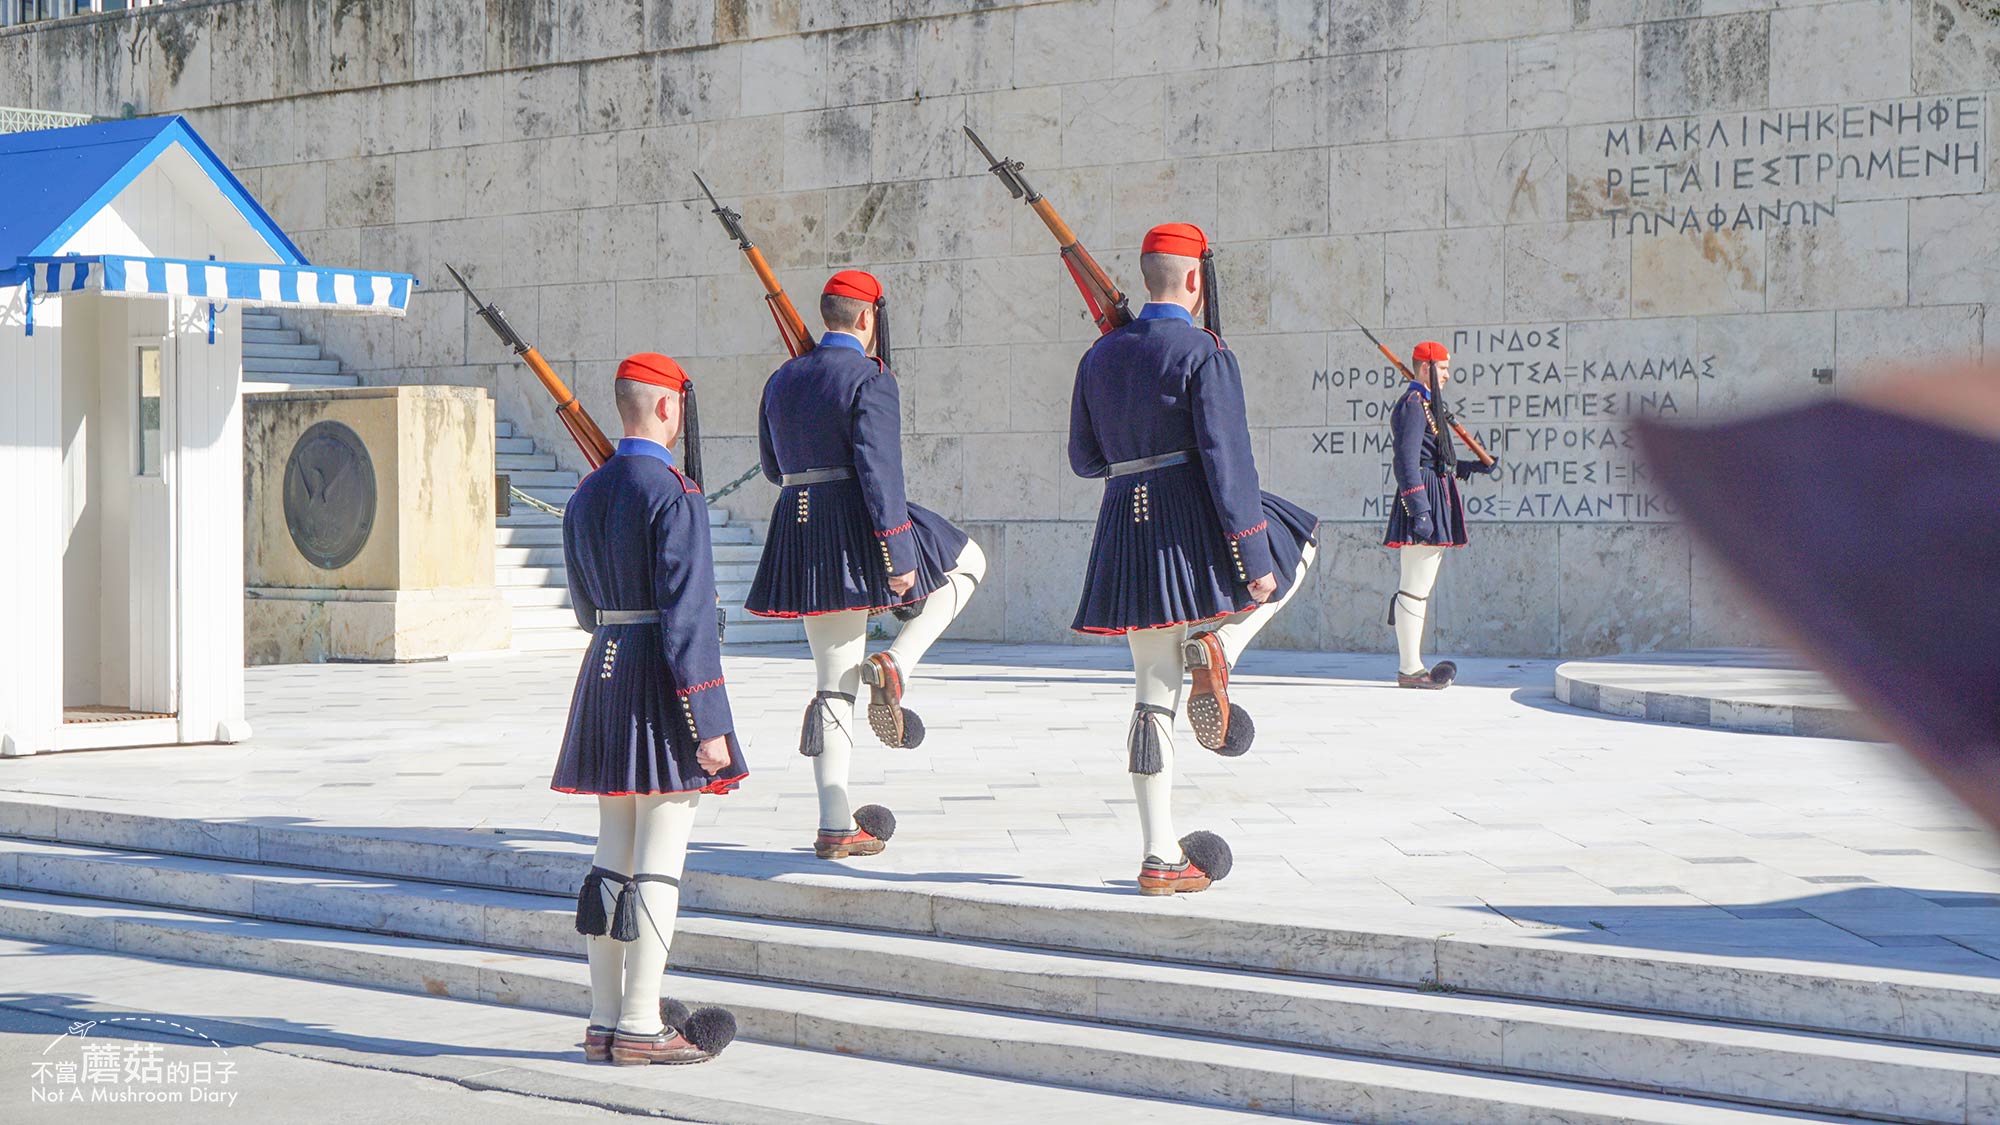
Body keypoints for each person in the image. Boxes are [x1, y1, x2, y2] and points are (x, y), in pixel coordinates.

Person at [1068, 222, 1319, 895]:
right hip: (1189, 515)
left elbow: (1084, 459)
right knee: (1302, 540)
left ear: (1148, 276)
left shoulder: (1099, 356)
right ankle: (1223, 646)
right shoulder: (1204, 351)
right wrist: (1251, 551)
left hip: (1125, 521)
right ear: (1196, 280)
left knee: (1152, 693)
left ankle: (1159, 855)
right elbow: (1228, 458)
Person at [744, 270, 986, 860]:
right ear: (869, 318)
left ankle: (835, 823)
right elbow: (881, 472)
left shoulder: (781, 379)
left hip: (799, 524)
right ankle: (899, 661)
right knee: (968, 561)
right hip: (855, 520)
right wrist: (899, 558)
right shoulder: (870, 377)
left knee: (832, 682)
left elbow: (773, 468)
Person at [552, 352, 743, 1066]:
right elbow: (690, 619)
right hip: (659, 678)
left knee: (611, 858)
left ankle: (604, 1016)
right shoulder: (673, 492)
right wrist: (712, 725)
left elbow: (582, 607)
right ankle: (639, 1021)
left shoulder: (586, 492)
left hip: (603, 668)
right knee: (660, 854)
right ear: (668, 407)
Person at [1382, 341, 1500, 689]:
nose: (1448, 375)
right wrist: (1419, 510)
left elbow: (1435, 458)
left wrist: (1470, 467)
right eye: (1443, 368)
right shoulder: (1413, 406)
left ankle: (1412, 665)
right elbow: (1406, 463)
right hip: (1424, 498)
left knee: (1419, 587)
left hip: (1435, 492)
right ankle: (1410, 669)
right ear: (1426, 368)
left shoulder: (1427, 404)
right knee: (1414, 589)